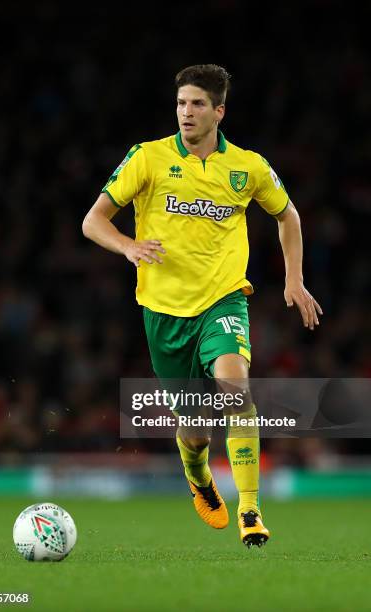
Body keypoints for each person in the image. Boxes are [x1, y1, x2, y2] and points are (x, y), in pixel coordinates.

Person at [82, 64, 322, 547]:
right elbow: (93, 221)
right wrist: (127, 246)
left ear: (219, 111)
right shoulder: (146, 158)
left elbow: (288, 215)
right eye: (180, 103)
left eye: (195, 104)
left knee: (235, 390)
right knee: (195, 431)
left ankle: (250, 510)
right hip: (164, 313)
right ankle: (198, 476)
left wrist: (293, 278)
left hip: (223, 300)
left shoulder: (248, 167)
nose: (185, 112)